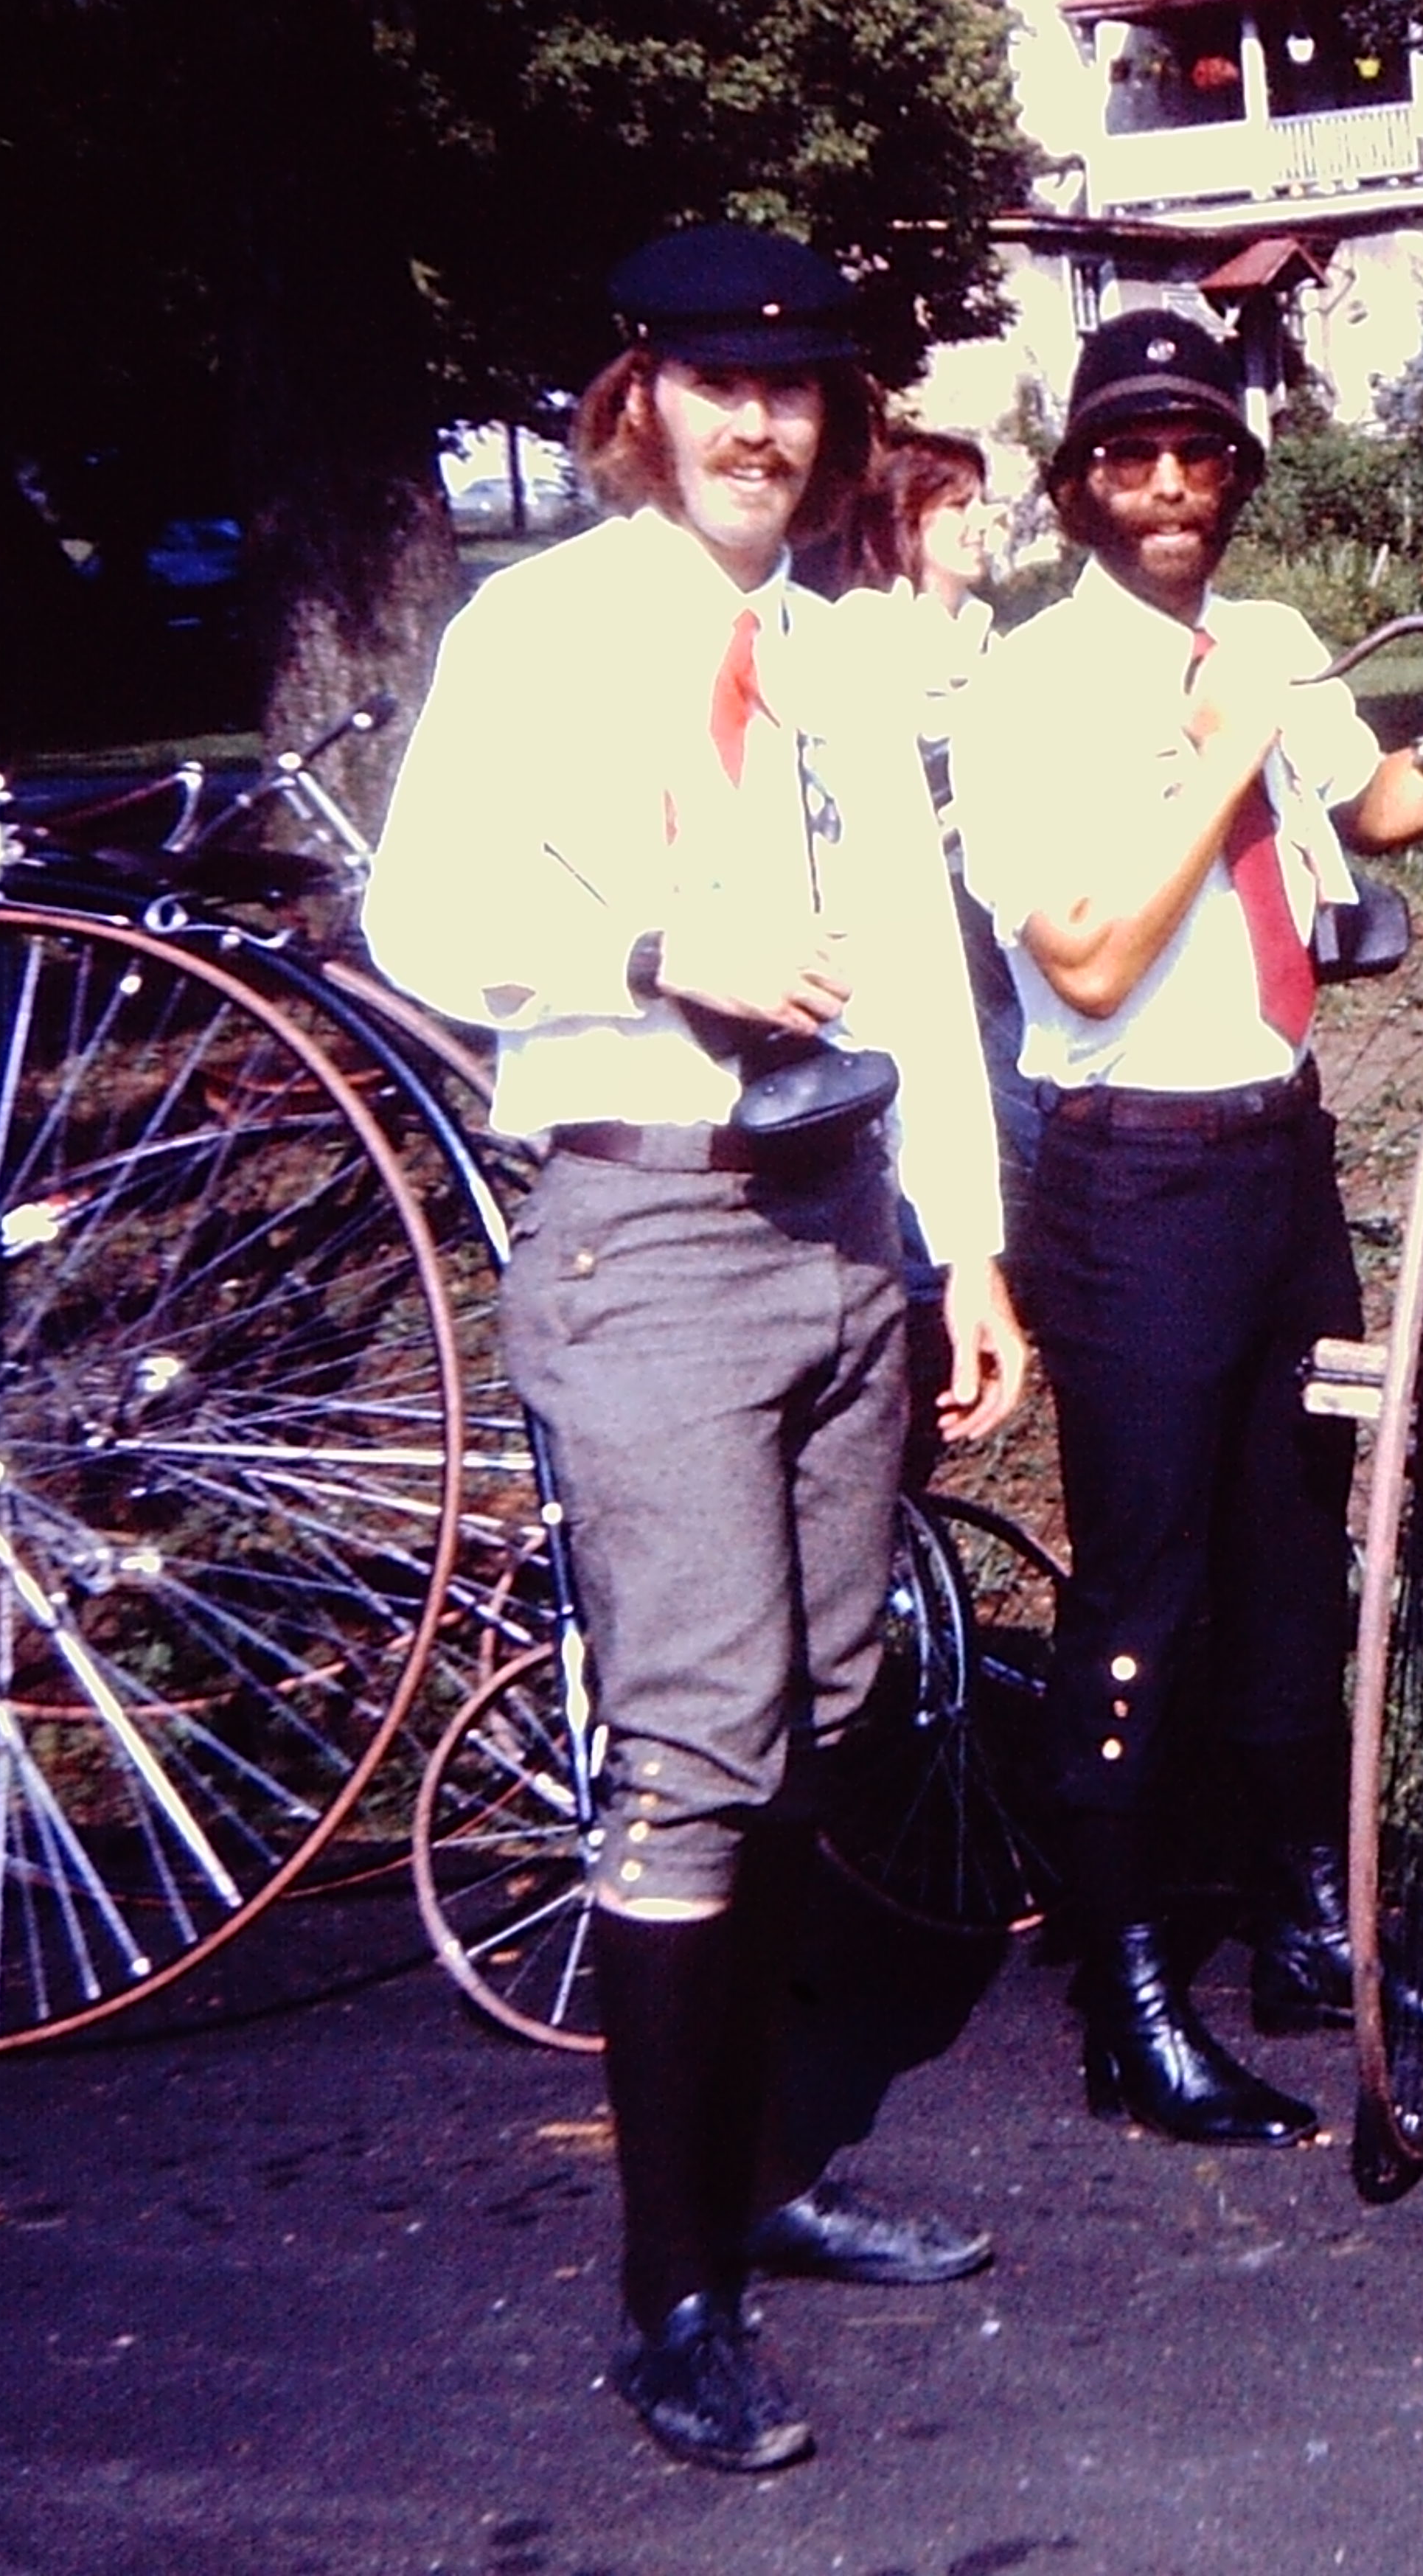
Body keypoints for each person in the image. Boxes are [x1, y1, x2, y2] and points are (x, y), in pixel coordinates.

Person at [363, 223, 1031, 2472]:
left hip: (846, 1229)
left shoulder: (839, 654)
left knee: (832, 1706)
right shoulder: (539, 632)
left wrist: (975, 1253)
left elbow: (924, 978)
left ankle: (762, 2175)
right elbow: (421, 913)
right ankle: (671, 2298)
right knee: (697, 1748)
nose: (767, 425)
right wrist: (661, 952)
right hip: (650, 1221)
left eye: (806, 390)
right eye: (722, 386)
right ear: (639, 397)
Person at [941, 310, 1423, 2145]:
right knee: (1148, 1577)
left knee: (1291, 1550)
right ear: (1074, 487)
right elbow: (1091, 955)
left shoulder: (1265, 644)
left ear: (1234, 473)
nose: (1170, 483)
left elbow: (1374, 805)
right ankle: (1123, 1996)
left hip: (1274, 1159)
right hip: (1128, 1179)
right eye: (1129, 455)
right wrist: (1207, 758)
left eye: (1198, 452)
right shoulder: (1023, 690)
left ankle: (1293, 1919)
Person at [822, 428, 1039, 1245]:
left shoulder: (985, 637)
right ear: (903, 522)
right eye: (958, 506)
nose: (983, 521)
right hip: (916, 921)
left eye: (983, 503)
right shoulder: (862, 635)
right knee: (936, 1103)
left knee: (1028, 1090)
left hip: (997, 909)